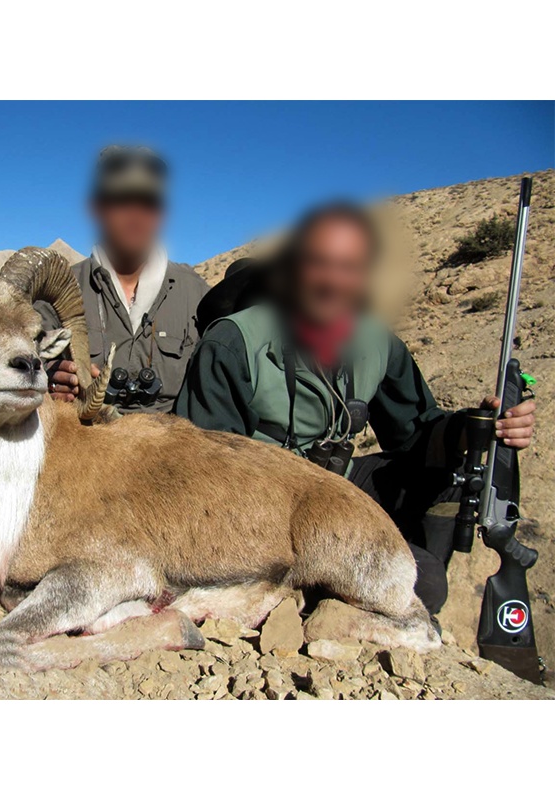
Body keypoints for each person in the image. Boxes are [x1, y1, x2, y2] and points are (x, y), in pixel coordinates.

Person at [174, 202, 536, 615]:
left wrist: (471, 430)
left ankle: (398, 585)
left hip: (336, 488)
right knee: (421, 583)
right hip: (261, 508)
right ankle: (310, 597)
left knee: (451, 471)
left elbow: (416, 434)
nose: (333, 281)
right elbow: (201, 478)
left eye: (349, 267)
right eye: (318, 264)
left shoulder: (377, 343)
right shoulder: (232, 344)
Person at [40, 145, 208, 414]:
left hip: (172, 448)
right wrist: (47, 379)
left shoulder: (196, 292)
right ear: (97, 208)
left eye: (148, 203)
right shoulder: (57, 292)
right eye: (121, 201)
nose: (136, 216)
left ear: (162, 214)